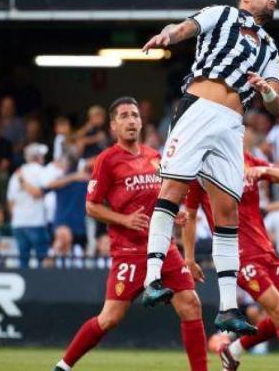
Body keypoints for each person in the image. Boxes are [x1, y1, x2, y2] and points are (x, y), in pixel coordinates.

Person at [139, 0, 279, 335]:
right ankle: (152, 278)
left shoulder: (269, 46)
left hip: (233, 124)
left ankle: (227, 308)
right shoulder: (222, 15)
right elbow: (185, 26)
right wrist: (167, 35)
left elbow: (277, 103)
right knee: (172, 190)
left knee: (227, 210)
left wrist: (266, 92)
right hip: (199, 106)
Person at [55, 97, 208, 371]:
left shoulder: (155, 157)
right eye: (124, 116)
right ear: (113, 125)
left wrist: (174, 213)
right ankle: (63, 366)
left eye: (135, 115)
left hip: (163, 249)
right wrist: (124, 219)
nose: (131, 120)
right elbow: (91, 206)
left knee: (191, 304)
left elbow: (164, 197)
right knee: (110, 318)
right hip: (129, 252)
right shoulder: (107, 160)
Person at [183, 152, 279, 371]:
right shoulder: (202, 169)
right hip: (238, 255)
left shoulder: (249, 160)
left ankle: (233, 351)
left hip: (266, 250)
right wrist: (189, 259)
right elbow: (189, 216)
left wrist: (265, 171)